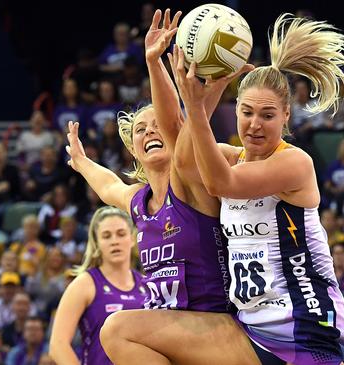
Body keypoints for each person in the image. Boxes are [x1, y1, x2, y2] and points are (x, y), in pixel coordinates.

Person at [69, 9, 261, 365]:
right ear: (132, 149)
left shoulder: (191, 181)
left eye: (156, 126)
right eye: (140, 130)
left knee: (116, 330)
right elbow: (109, 185)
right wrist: (81, 163)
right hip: (174, 337)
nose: (150, 132)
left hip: (219, 329)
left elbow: (181, 121)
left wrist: (158, 65)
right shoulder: (139, 201)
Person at [165, 12, 344, 365]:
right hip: (251, 330)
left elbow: (218, 182)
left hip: (306, 329)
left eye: (267, 116)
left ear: (286, 115)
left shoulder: (294, 163)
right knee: (124, 331)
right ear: (235, 110)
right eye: (247, 112)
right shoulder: (230, 156)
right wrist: (215, 88)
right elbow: (185, 163)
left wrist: (193, 104)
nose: (255, 125)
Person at [49, 207, 147, 365]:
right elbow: (57, 345)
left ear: (132, 238)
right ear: (97, 242)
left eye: (121, 234)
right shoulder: (85, 283)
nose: (114, 241)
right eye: (106, 236)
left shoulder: (147, 284)